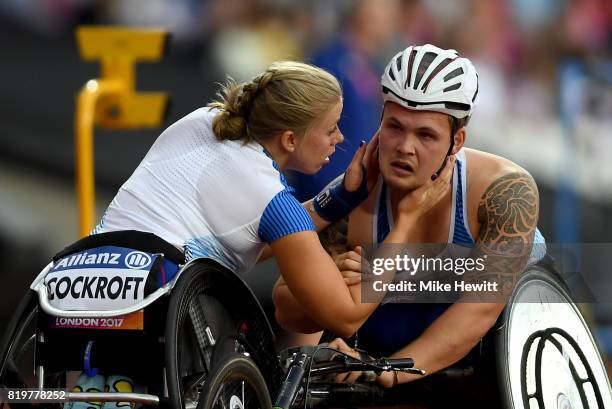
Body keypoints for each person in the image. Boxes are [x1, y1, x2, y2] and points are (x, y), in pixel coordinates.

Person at [68, 60, 422, 408]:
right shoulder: (271, 201)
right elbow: (344, 315)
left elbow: (238, 231)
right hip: (155, 311)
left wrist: (342, 195)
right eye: (331, 129)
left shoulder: (205, 119)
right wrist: (404, 224)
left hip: (77, 281)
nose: (340, 138)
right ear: (289, 139)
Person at [272, 44, 546, 391]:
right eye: (395, 127)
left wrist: (389, 372)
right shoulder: (357, 192)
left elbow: (479, 311)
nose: (405, 146)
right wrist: (330, 283)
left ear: (456, 141)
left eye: (426, 135)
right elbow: (286, 308)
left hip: (495, 352)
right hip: (393, 341)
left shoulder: (504, 190)